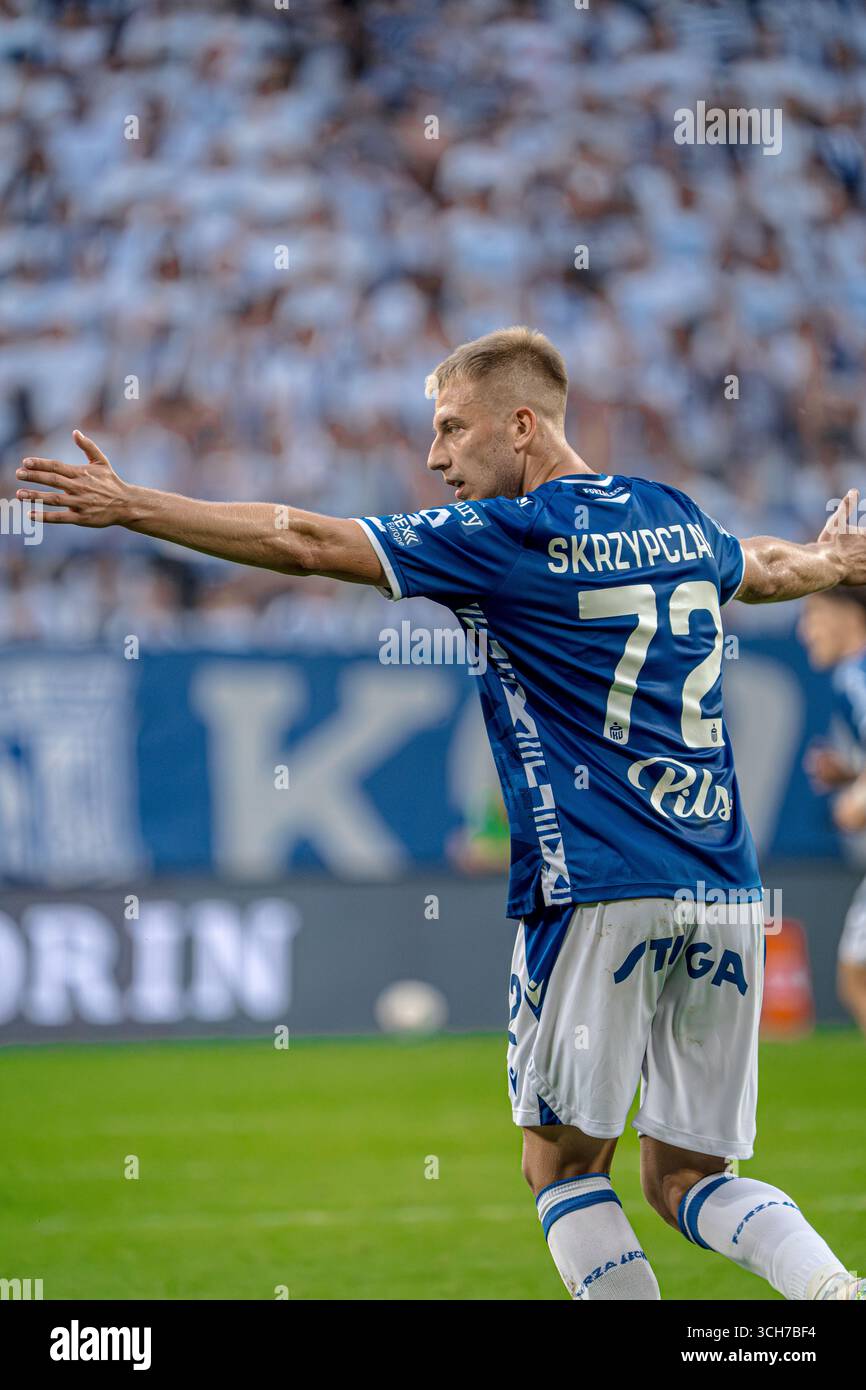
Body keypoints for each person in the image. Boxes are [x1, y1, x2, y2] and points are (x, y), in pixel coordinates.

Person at [16, 326, 866, 1301]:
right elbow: (755, 566)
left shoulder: (505, 539)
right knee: (685, 1179)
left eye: (451, 429)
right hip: (723, 890)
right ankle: (831, 1293)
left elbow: (304, 539)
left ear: (518, 424)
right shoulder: (671, 517)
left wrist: (134, 507)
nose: (434, 456)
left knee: (559, 1167)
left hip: (594, 889)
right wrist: (826, 558)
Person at [800, 586, 866, 1037]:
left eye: (814, 614)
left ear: (849, 615)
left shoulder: (856, 674)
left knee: (855, 975)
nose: (805, 632)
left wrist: (857, 799)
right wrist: (851, 776)